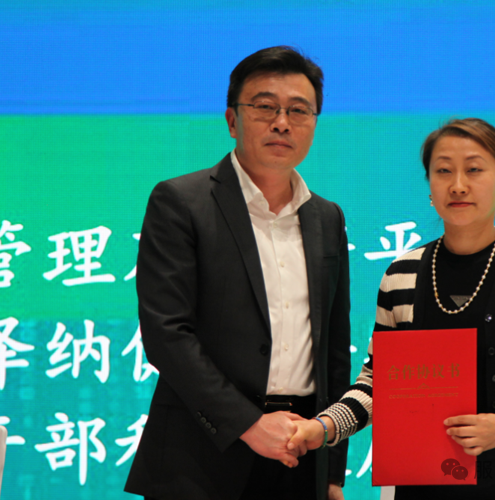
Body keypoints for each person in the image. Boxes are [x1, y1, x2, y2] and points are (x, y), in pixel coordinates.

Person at [289, 118, 495, 499]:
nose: (458, 185)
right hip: (417, 478)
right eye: (443, 171)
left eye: (474, 170)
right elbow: (377, 385)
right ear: (429, 186)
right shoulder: (401, 275)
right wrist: (324, 427)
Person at [124, 46, 350, 500]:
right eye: (265, 107)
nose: (282, 123)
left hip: (300, 453)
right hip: (201, 458)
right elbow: (168, 335)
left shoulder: (327, 218)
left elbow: (332, 349)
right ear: (232, 120)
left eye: (298, 111)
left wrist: (331, 472)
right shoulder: (181, 203)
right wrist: (248, 424)